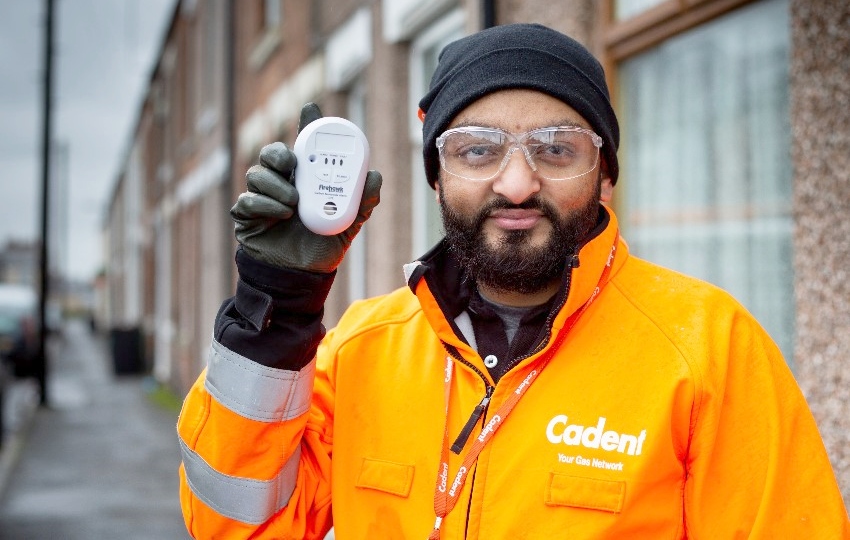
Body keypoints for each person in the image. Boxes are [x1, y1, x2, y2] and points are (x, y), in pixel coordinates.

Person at [177, 23, 850, 539]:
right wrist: (275, 306)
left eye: (557, 148)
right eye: (477, 149)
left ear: (605, 172)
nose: (518, 182)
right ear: (437, 175)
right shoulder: (360, 348)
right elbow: (236, 523)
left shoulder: (709, 349)